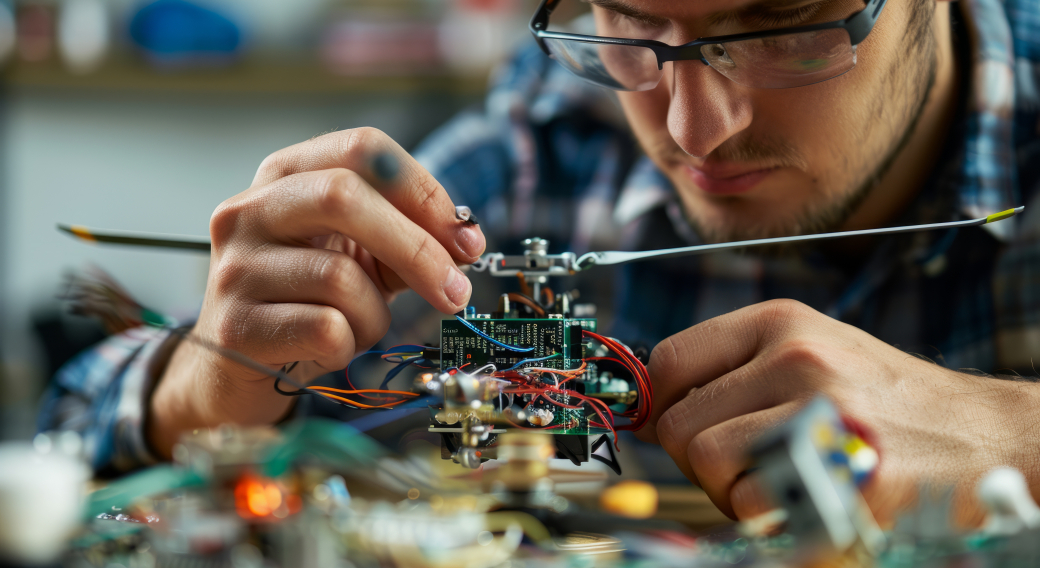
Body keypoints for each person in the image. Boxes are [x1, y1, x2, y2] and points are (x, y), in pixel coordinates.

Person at [39, 0, 1040, 526]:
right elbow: (67, 444)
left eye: (777, 25)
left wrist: (1018, 432)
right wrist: (205, 382)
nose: (695, 130)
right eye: (633, 24)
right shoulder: (518, 172)